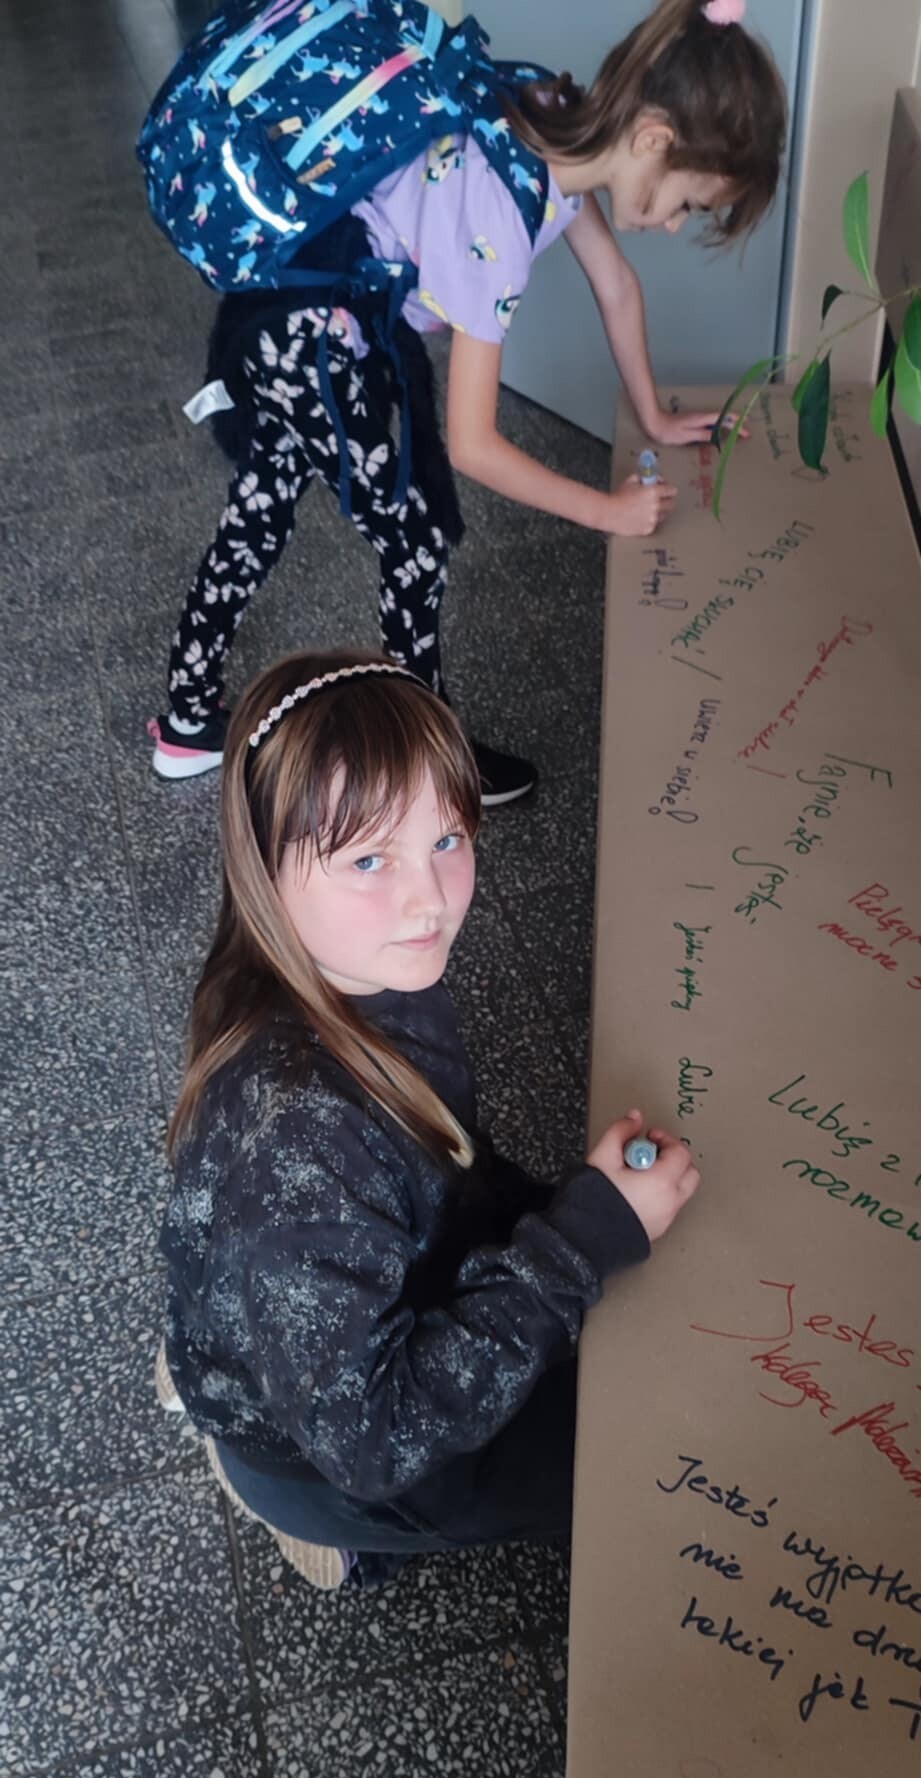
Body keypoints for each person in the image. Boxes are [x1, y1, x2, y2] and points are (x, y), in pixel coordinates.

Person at [156, 648, 700, 1591]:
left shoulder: (353, 971)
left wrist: (576, 1212)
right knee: (640, 1464)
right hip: (329, 1457)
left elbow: (439, 1166)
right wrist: (580, 1239)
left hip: (319, 1321)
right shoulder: (295, 1144)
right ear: (263, 871)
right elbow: (373, 1437)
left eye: (447, 838)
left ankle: (232, 1358)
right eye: (368, 858)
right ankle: (328, 1528)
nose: (428, 899)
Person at [147, 0, 785, 799]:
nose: (672, 226)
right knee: (413, 540)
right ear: (653, 138)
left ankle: (187, 721)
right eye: (686, 203)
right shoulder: (496, 221)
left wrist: (653, 414)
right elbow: (475, 445)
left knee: (262, 509)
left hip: (292, 312)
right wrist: (608, 512)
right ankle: (427, 764)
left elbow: (616, 286)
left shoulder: (547, 108)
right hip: (308, 337)